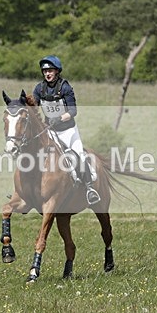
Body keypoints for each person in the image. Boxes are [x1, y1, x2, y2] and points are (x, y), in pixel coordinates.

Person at [33, 55, 100, 205]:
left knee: (80, 156)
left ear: (57, 71)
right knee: (36, 156)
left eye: (50, 71)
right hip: (50, 131)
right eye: (45, 71)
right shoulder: (39, 88)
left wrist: (59, 118)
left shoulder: (65, 87)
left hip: (68, 130)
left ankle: (90, 189)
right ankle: (28, 189)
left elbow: (73, 111)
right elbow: (34, 106)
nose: (47, 74)